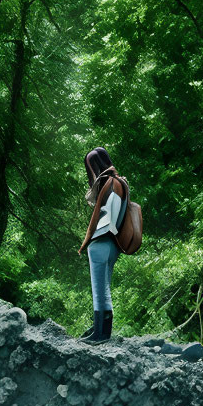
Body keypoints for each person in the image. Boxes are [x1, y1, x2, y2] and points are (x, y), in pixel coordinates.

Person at [77, 147, 126, 344]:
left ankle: (99, 333)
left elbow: (104, 216)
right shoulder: (121, 182)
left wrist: (89, 241)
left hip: (101, 242)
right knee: (104, 289)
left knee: (99, 290)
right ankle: (103, 331)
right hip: (113, 244)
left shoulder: (108, 183)